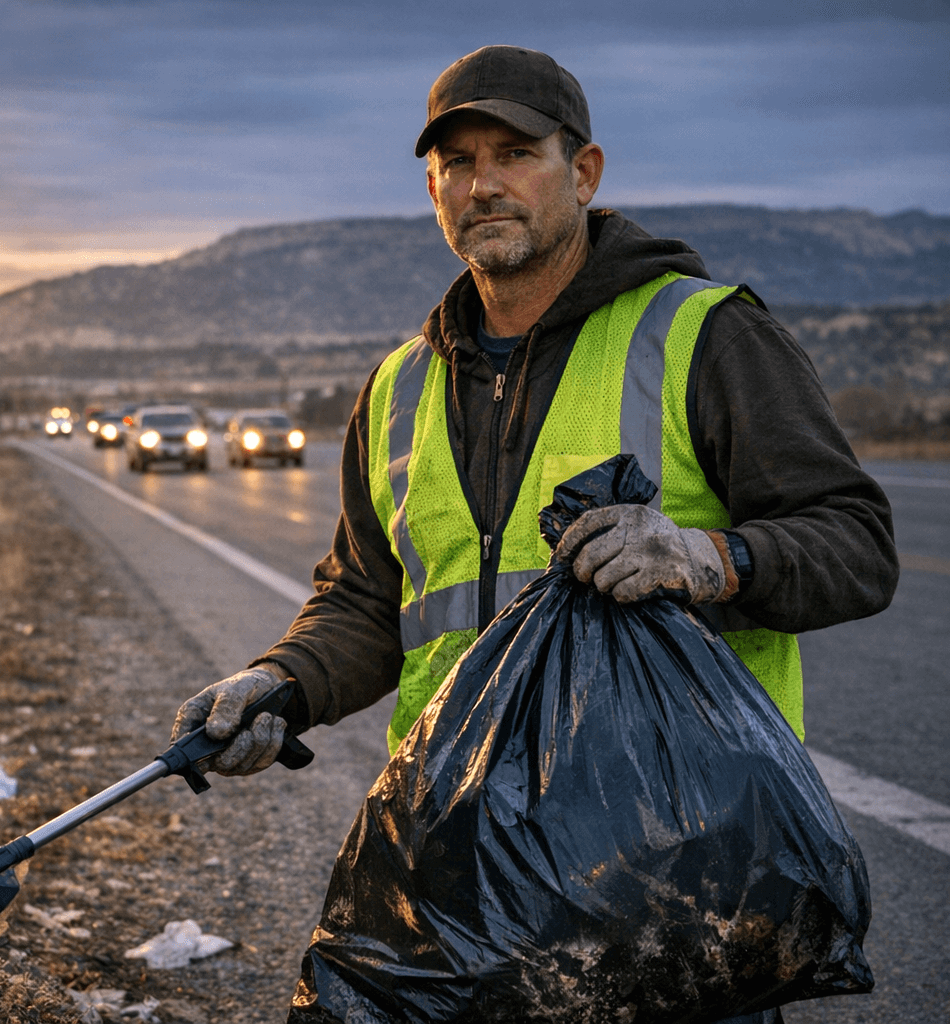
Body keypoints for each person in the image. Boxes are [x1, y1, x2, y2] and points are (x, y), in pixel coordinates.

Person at [171, 45, 897, 1023]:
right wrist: (283, 681)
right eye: (456, 164)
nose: (484, 185)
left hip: (672, 863)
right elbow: (366, 600)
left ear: (583, 171)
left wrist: (707, 557)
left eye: (514, 153)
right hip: (458, 853)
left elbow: (855, 542)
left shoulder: (701, 334)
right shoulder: (397, 390)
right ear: (433, 188)